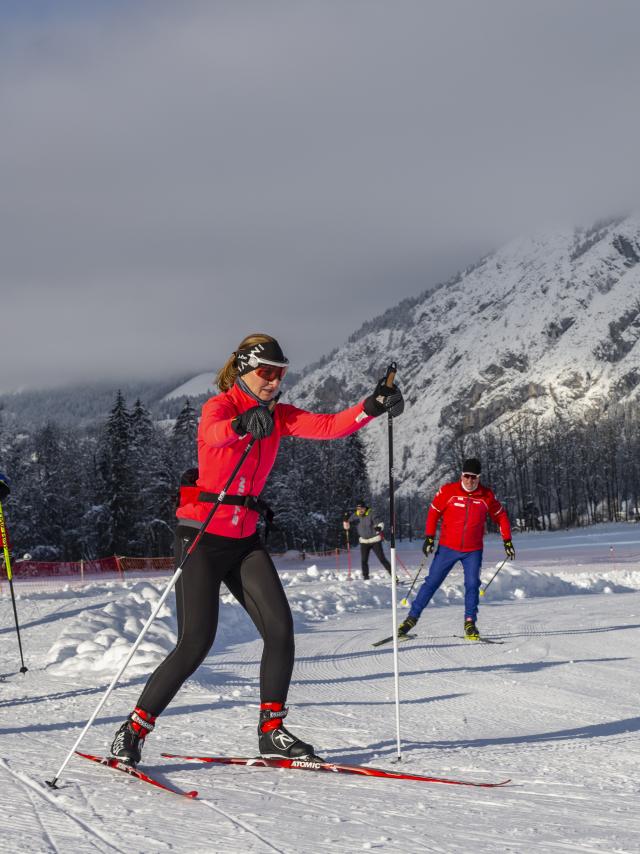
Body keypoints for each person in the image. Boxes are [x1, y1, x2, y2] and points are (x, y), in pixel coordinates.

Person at [110, 333, 404, 767]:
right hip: (203, 536)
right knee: (195, 642)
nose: (273, 381)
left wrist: (371, 406)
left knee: (281, 629)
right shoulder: (222, 407)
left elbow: (328, 425)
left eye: (280, 373)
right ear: (245, 371)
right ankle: (133, 729)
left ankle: (271, 732)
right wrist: (241, 425)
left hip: (245, 540)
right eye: (266, 372)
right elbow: (212, 433)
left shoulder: (279, 415)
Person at [397, 457, 514, 641]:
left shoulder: (487, 496)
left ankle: (470, 622)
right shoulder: (448, 491)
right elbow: (434, 511)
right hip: (447, 547)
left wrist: (507, 540)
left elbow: (501, 517)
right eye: (467, 476)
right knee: (432, 582)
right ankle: (411, 619)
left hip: (473, 550)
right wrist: (429, 537)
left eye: (474, 477)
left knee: (473, 585)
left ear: (479, 477)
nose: (470, 480)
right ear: (461, 475)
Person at [343, 501, 392, 580]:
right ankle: (366, 578)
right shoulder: (356, 515)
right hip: (364, 542)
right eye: (358, 509)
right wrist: (345, 521)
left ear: (365, 508)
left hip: (374, 540)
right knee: (364, 561)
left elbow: (380, 522)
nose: (360, 510)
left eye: (362, 508)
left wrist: (379, 527)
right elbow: (347, 526)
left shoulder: (371, 513)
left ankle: (394, 577)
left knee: (382, 559)